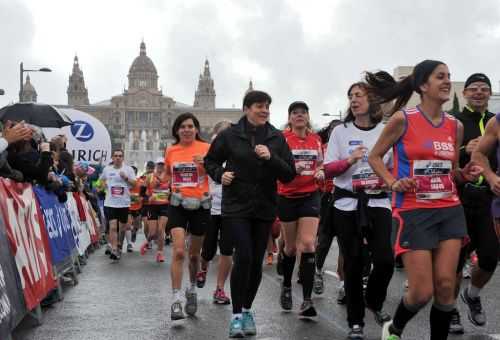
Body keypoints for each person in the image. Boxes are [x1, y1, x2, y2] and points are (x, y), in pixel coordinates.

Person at [365, 60, 482, 340]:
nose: (446, 81)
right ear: (422, 85)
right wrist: (393, 182)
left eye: (449, 77)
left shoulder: (455, 126)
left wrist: (463, 174)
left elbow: (450, 173)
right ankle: (394, 328)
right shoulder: (403, 119)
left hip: (449, 208)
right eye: (440, 77)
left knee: (445, 286)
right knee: (421, 292)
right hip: (414, 210)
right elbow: (374, 157)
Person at [204, 90, 296, 338]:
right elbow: (210, 161)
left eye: (267, 106)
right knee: (242, 256)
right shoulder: (230, 135)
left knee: (255, 262)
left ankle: (247, 310)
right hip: (236, 205)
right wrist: (219, 174)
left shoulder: (276, 137)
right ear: (246, 108)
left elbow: (289, 173)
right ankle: (235, 316)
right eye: (259, 106)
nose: (265, 110)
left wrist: (271, 158)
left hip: (264, 206)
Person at [324, 82, 394, 339]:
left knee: (385, 260)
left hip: (377, 201)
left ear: (372, 101)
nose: (354, 100)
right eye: (351, 96)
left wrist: (389, 177)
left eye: (359, 95)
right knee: (352, 263)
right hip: (347, 204)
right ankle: (356, 323)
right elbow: (328, 169)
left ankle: (373, 301)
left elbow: (397, 166)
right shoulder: (340, 132)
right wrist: (350, 160)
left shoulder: (387, 130)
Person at [448, 73, 499, 333]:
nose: (479, 92)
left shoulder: (495, 121)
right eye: (474, 89)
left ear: (490, 94)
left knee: (490, 256)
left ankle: (473, 294)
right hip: (459, 196)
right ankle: (451, 310)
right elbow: (440, 156)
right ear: (465, 93)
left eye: (484, 89)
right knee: (455, 260)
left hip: (488, 199)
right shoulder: (454, 122)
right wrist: (463, 151)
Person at [277, 101, 324, 318]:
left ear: (307, 117)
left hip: (310, 195)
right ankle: (286, 285)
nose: (299, 116)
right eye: (295, 113)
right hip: (286, 196)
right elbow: (274, 166)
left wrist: (321, 171)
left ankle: (306, 300)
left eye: (303, 113)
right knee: (290, 248)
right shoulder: (282, 139)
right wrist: (290, 169)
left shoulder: (316, 140)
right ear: (289, 118)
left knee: (307, 243)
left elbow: (322, 163)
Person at [164, 113, 211, 321]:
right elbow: (167, 174)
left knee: (194, 256)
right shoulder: (171, 150)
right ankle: (176, 300)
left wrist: (207, 163)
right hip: (178, 205)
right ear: (176, 130)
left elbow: (218, 172)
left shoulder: (207, 148)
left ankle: (191, 288)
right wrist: (159, 181)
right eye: (182, 126)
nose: (186, 129)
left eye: (190, 126)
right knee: (179, 251)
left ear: (197, 129)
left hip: (200, 205)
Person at [197, 120, 233, 305]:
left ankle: (219, 289)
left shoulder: (239, 153)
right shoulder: (208, 154)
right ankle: (203, 268)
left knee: (227, 250)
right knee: (208, 250)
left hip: (232, 209)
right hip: (211, 207)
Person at [313, 119, 346, 303]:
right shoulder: (323, 148)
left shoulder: (351, 146)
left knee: (345, 243)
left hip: (348, 197)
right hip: (327, 198)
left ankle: (343, 285)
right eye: (334, 130)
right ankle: (317, 271)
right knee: (324, 240)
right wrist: (320, 173)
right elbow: (318, 168)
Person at [99, 149, 136, 261]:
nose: (118, 158)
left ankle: (119, 245)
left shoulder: (128, 169)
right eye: (116, 156)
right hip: (110, 203)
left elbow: (134, 184)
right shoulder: (107, 169)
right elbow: (100, 181)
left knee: (123, 228)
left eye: (120, 156)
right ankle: (114, 249)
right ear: (112, 158)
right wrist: (101, 186)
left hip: (124, 203)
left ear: (123, 158)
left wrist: (125, 178)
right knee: (113, 226)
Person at [140, 158, 169, 262]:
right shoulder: (149, 177)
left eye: (162, 164)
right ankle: (147, 242)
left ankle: (160, 253)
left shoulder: (169, 177)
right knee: (152, 233)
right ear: (156, 165)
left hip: (165, 206)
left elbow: (174, 190)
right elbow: (141, 193)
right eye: (159, 164)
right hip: (152, 206)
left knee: (161, 230)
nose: (161, 166)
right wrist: (148, 198)